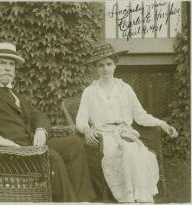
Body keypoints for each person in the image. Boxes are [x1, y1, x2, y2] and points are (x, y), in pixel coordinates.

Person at [0, 42, 96, 202]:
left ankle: (82, 199)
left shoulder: (16, 96)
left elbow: (39, 115)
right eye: (2, 63)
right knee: (53, 158)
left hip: (29, 148)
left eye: (11, 64)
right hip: (7, 155)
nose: (8, 68)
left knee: (74, 143)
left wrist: (41, 130)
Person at [76, 42, 178, 202]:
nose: (105, 69)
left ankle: (141, 198)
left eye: (109, 64)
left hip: (126, 133)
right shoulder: (89, 92)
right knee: (123, 153)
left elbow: (140, 115)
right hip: (105, 136)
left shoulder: (125, 89)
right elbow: (81, 120)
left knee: (136, 152)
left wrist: (162, 124)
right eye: (100, 65)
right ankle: (128, 198)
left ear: (115, 64)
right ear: (95, 68)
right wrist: (87, 130)